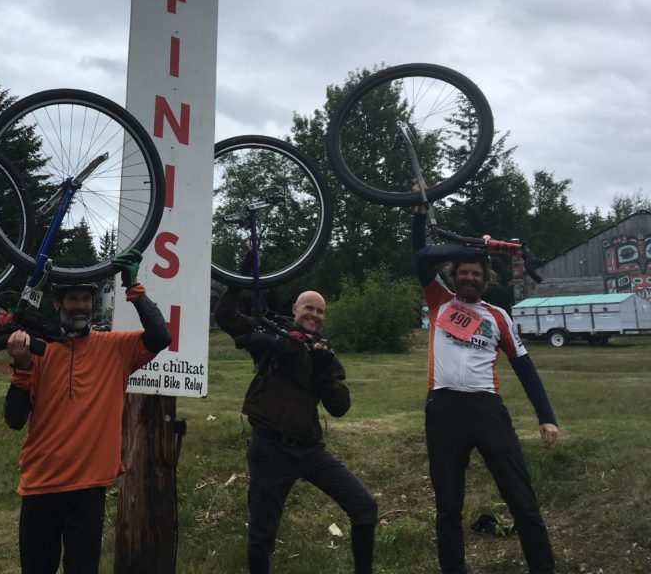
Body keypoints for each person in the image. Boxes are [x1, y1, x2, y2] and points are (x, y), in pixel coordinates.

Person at [3, 249, 171, 574]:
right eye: (72, 299)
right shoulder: (39, 349)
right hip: (41, 485)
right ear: (57, 304)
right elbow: (14, 419)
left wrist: (134, 289)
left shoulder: (115, 348)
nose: (80, 306)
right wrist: (22, 367)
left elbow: (160, 337)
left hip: (88, 488)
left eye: (85, 299)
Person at [412, 205, 559, 574]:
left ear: (485, 278)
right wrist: (419, 214)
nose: (470, 277)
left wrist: (547, 417)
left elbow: (525, 368)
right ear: (454, 275)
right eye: (464, 272)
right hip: (444, 410)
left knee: (521, 499)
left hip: (487, 410)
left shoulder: (498, 316)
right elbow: (421, 256)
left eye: (476, 273)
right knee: (448, 506)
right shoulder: (439, 301)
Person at [214, 285, 378, 574]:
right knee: (261, 536)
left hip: (311, 451)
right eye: (308, 308)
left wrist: (324, 370)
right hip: (270, 449)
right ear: (295, 310)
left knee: (364, 507)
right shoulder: (273, 336)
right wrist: (238, 283)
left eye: (319, 311)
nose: (314, 314)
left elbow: (340, 408)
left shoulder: (321, 352)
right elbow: (226, 316)